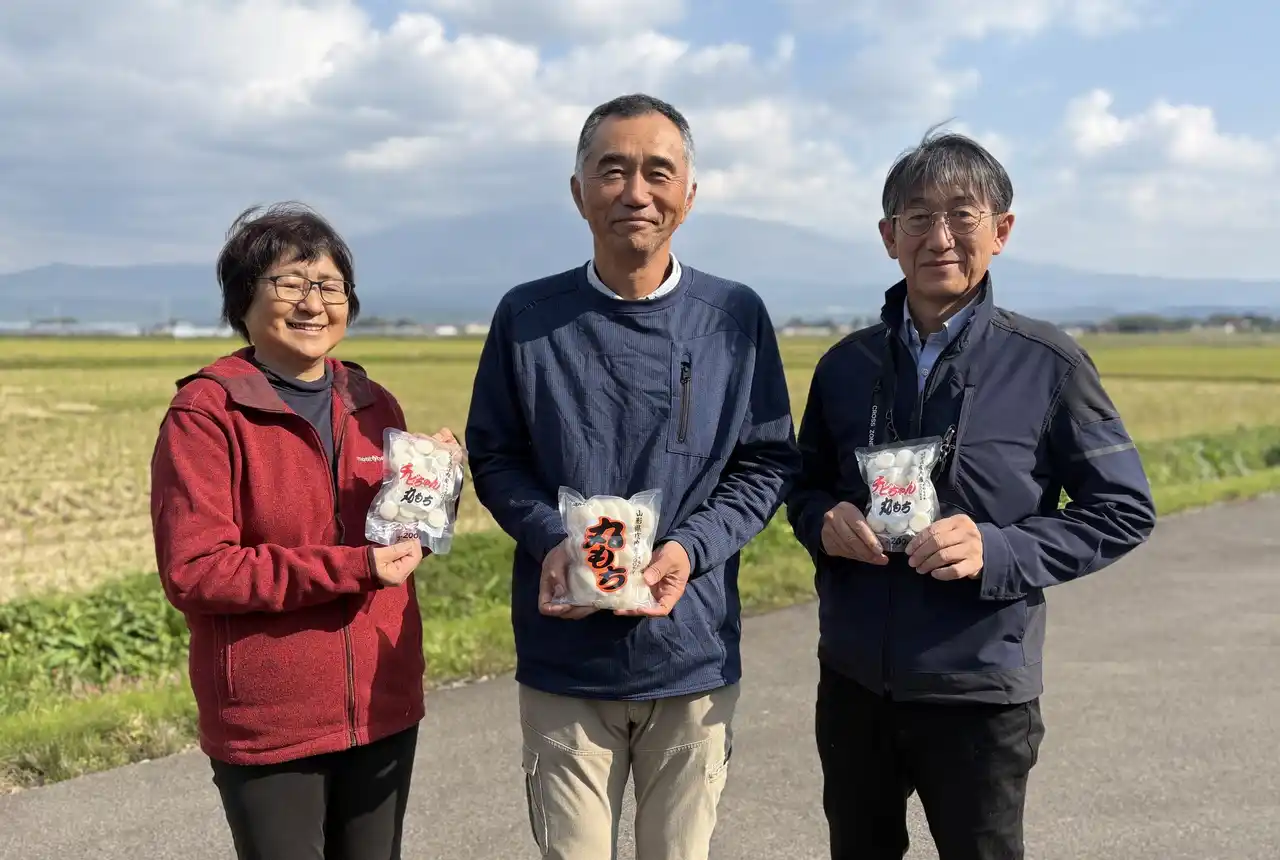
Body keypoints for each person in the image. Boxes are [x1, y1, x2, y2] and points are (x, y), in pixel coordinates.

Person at [785, 128, 1157, 860]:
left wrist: (999, 549)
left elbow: (1123, 510)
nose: (940, 237)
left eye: (963, 214)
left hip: (980, 687)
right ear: (889, 236)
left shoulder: (1048, 364)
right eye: (918, 217)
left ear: (1001, 231)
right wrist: (820, 517)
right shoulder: (845, 366)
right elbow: (802, 484)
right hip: (855, 680)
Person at [464, 93, 801, 860]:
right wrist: (553, 540)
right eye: (613, 170)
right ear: (578, 190)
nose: (636, 192)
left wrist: (689, 550)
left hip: (692, 656)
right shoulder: (528, 316)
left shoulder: (733, 316)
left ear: (690, 192)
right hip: (564, 659)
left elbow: (766, 460)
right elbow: (496, 455)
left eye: (658, 171)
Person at [149, 202, 453, 860]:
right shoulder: (208, 412)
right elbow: (197, 571)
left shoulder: (372, 402)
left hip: (382, 702)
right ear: (243, 298)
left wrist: (433, 489)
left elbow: (397, 541)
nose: (313, 303)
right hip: (271, 722)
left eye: (330, 286)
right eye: (289, 283)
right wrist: (354, 567)